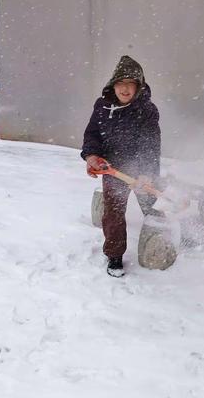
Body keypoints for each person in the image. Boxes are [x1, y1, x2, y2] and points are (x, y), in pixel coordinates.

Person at [81, 56, 161, 277]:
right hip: (113, 168)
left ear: (138, 86)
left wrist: (147, 172)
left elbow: (151, 144)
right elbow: (93, 134)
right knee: (114, 213)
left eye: (131, 84)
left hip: (141, 169)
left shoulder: (147, 111)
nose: (125, 89)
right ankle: (114, 256)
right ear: (113, 85)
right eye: (121, 83)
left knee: (154, 206)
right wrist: (92, 155)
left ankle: (162, 244)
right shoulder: (102, 106)